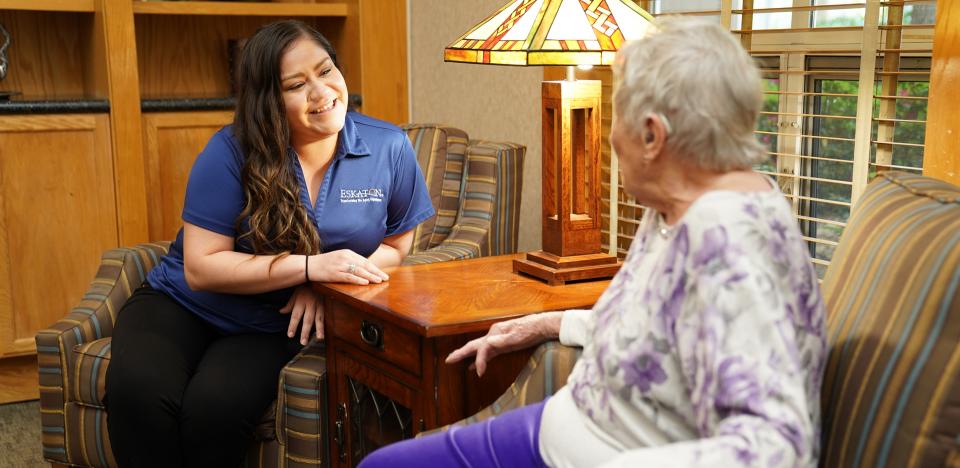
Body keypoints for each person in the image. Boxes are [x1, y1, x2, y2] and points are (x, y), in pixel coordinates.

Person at [357, 16, 826, 468]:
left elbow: (777, 445)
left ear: (651, 135)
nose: (610, 136)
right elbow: (654, 325)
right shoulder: (683, 198)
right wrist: (547, 323)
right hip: (565, 423)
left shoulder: (728, 243)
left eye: (616, 114)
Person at [104, 20, 435, 467]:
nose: (322, 92)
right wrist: (308, 268)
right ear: (268, 102)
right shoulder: (230, 151)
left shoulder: (388, 148)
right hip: (182, 304)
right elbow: (200, 269)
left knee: (213, 411)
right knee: (138, 393)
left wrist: (327, 287)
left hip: (274, 321)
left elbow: (397, 246)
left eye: (326, 70)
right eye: (297, 85)